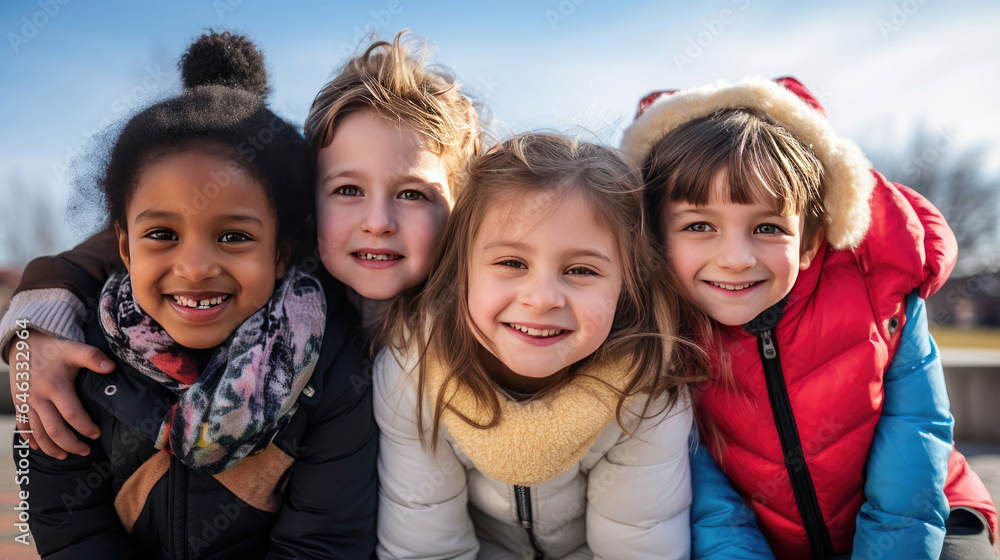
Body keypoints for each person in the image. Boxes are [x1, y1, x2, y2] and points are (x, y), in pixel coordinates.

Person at [2, 30, 481, 458]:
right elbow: (140, 241)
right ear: (308, 202)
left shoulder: (496, 305)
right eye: (348, 190)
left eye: (414, 194)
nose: (378, 222)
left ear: (466, 204)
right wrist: (32, 333)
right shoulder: (286, 273)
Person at [12, 31, 377, 558]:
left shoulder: (334, 371)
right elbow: (67, 527)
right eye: (162, 234)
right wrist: (30, 332)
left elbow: (322, 543)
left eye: (234, 236)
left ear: (281, 252)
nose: (196, 266)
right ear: (124, 246)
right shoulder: (73, 365)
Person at [620, 76, 998, 559]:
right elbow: (707, 501)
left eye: (767, 227)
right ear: (655, 237)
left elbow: (914, 445)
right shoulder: (662, 331)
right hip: (767, 543)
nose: (735, 258)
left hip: (932, 515)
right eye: (699, 225)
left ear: (810, 241)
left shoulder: (880, 297)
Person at [374, 132, 707, 559]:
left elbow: (638, 543)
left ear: (626, 286)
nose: (542, 297)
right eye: (512, 263)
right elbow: (424, 546)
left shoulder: (645, 390)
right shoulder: (412, 373)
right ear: (462, 270)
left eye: (581, 270)